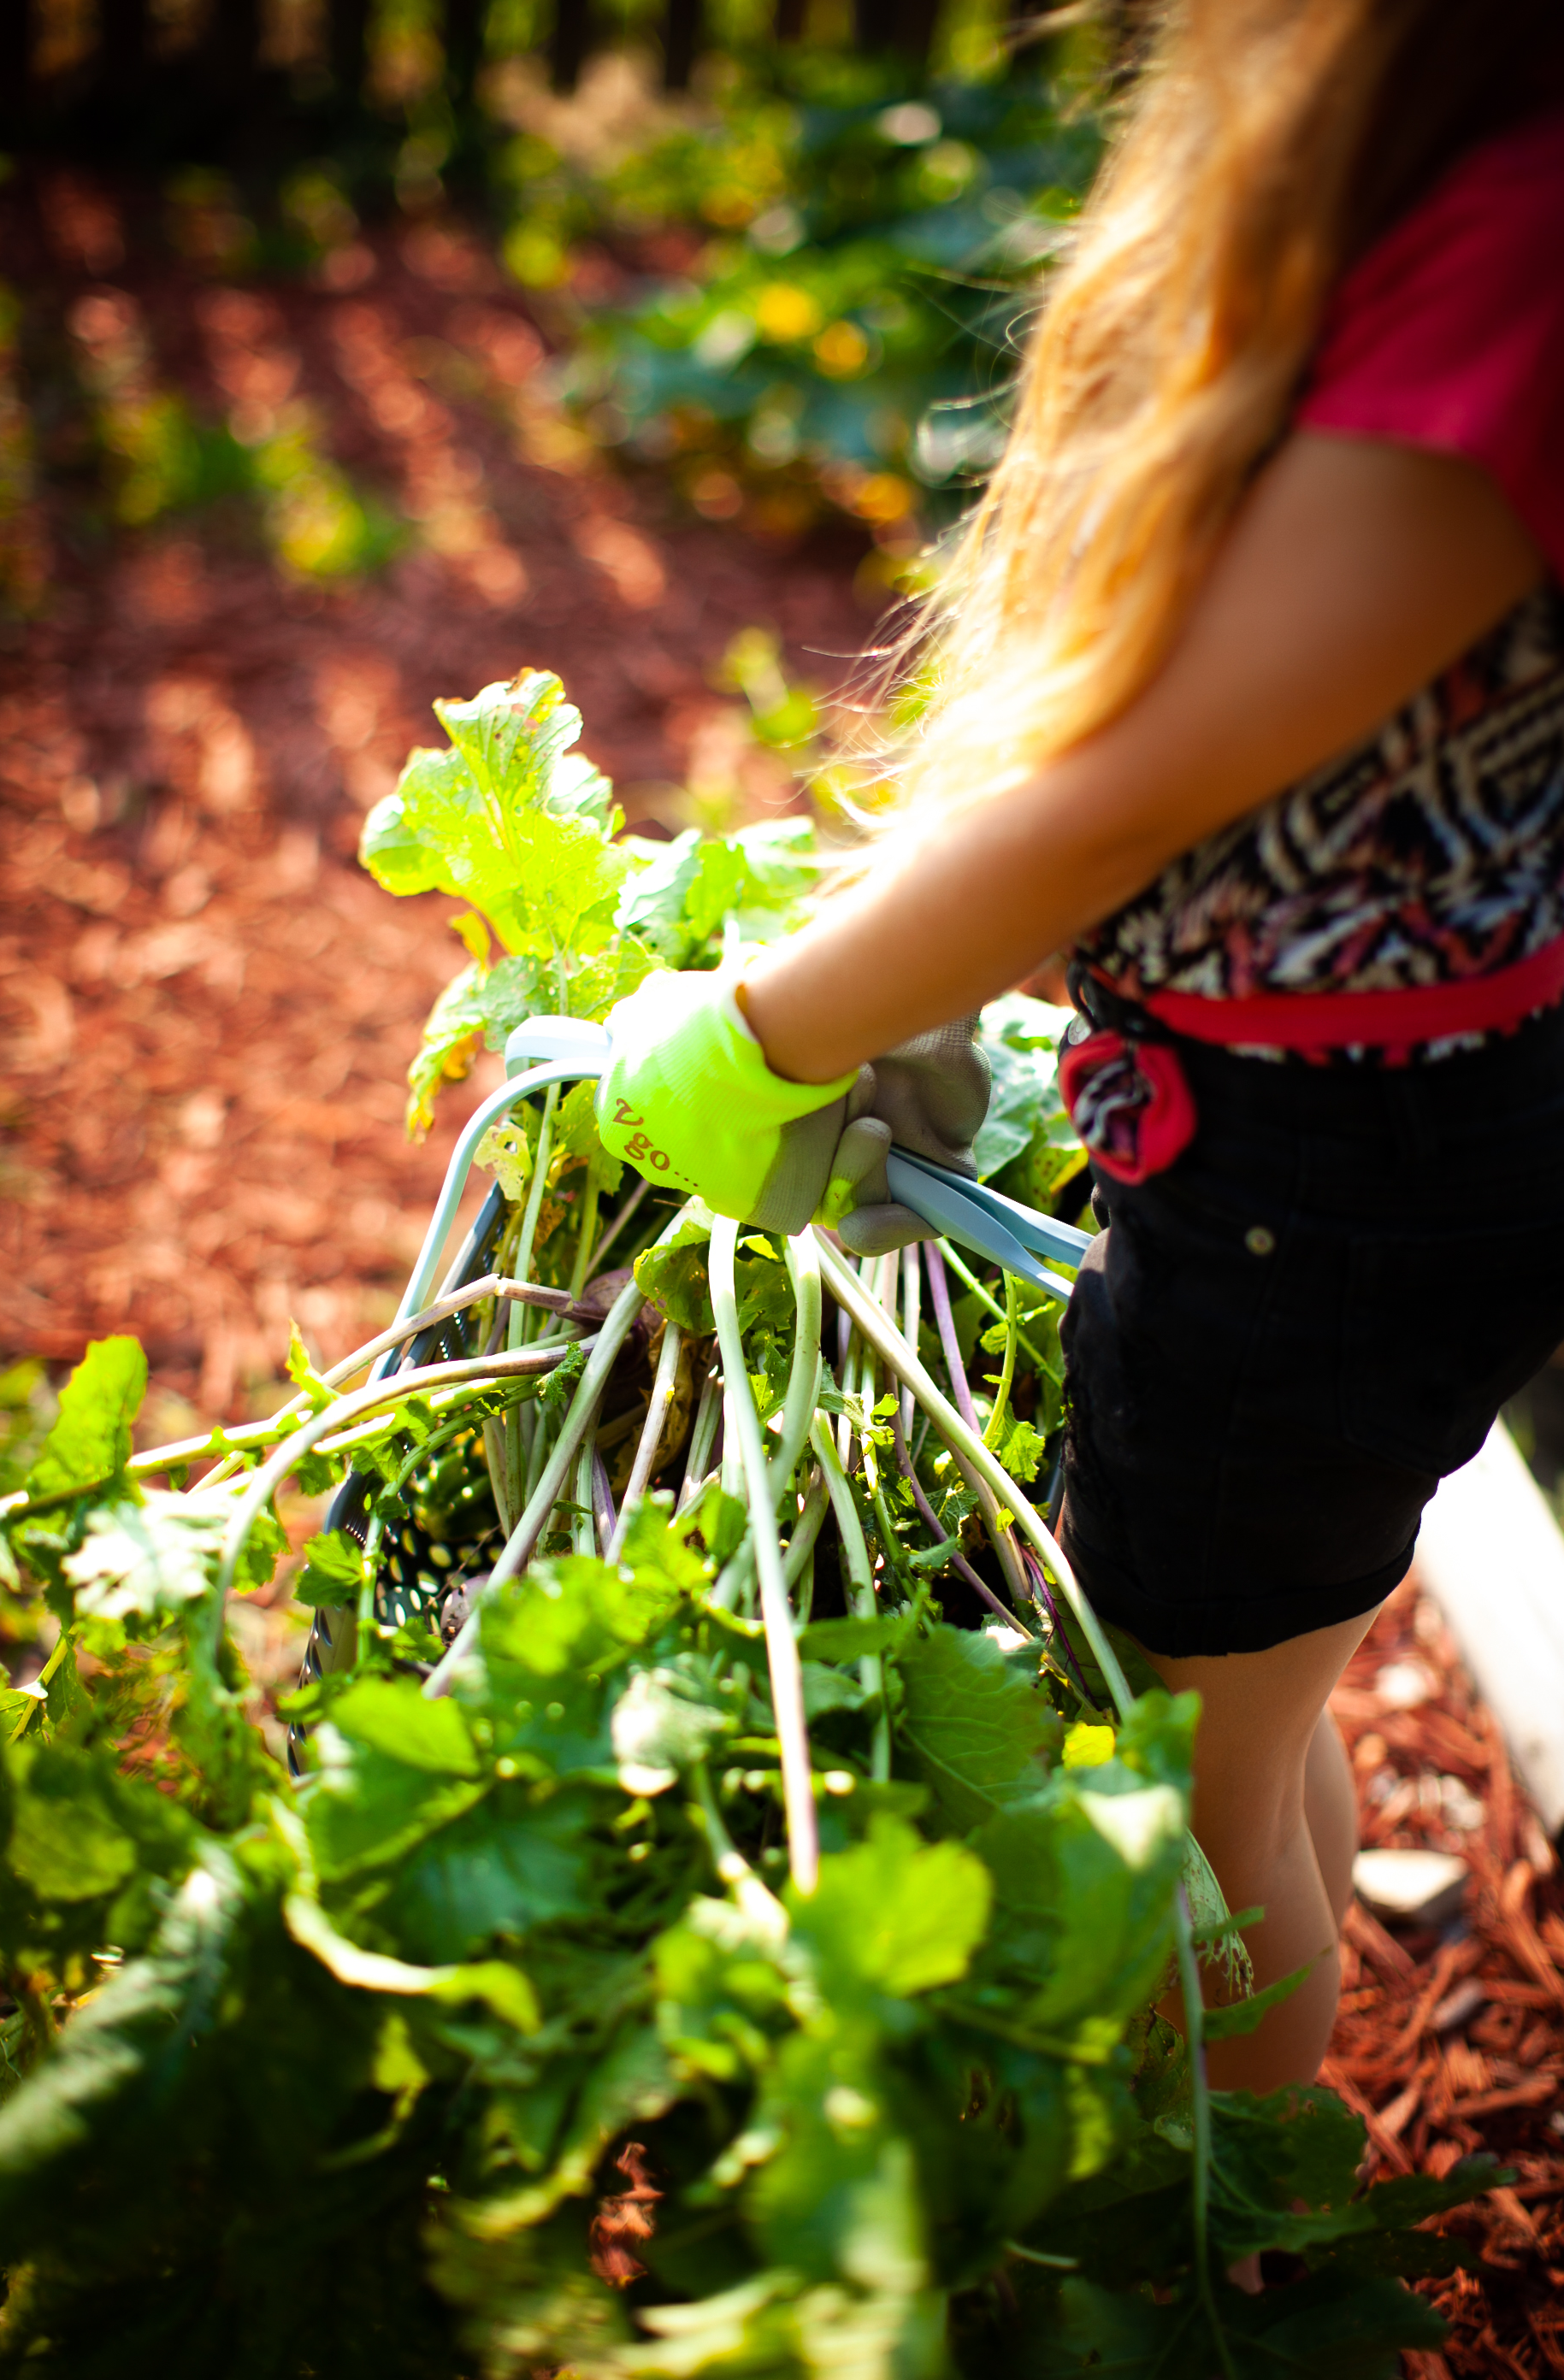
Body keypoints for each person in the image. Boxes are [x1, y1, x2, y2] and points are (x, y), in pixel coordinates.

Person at [595, 0, 1564, 2137]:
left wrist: (767, 1033)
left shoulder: (1517, 231)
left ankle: (1223, 2247)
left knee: (1177, 1810)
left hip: (1323, 1187)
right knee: (1241, 1707)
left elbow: (1135, 786)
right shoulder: (1449, 175)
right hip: (1364, 1142)